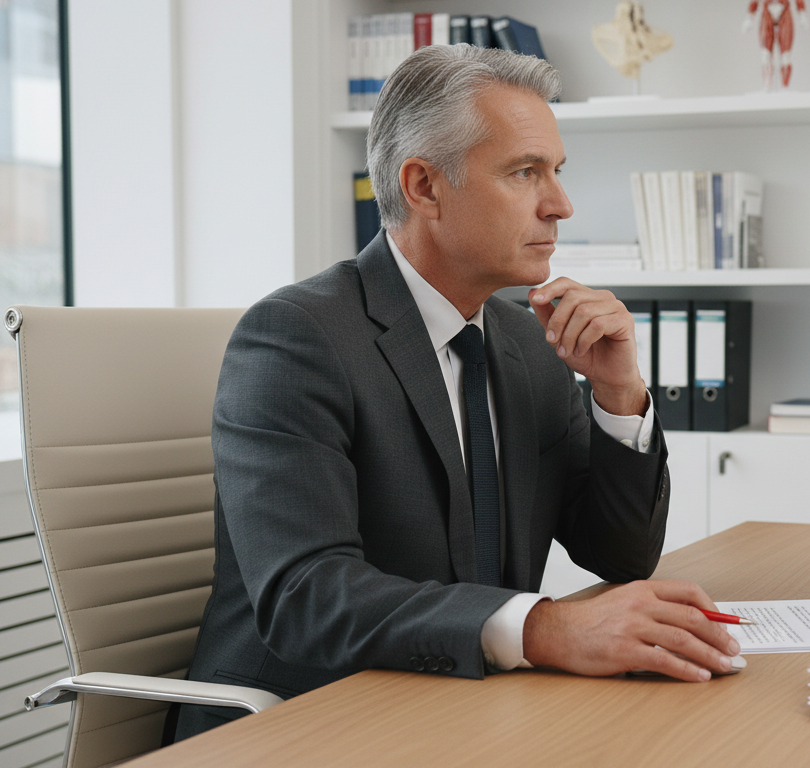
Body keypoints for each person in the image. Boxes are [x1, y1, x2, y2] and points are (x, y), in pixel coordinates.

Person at [173, 44, 739, 742]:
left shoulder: (527, 340)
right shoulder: (297, 338)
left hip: (464, 708)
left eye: (556, 173)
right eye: (525, 173)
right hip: (299, 725)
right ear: (424, 186)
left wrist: (619, 392)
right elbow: (305, 597)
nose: (560, 205)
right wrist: (543, 627)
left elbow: (619, 556)